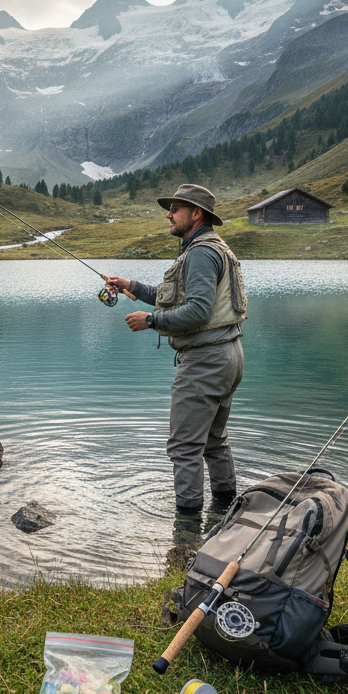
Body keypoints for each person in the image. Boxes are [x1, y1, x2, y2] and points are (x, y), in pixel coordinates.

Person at [105, 184, 247, 516]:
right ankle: (227, 513)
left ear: (196, 214)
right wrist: (130, 286)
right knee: (214, 441)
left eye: (174, 209)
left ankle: (186, 528)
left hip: (206, 361)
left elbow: (198, 311)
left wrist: (151, 320)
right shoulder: (211, 247)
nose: (168, 215)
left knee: (185, 447)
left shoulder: (200, 253)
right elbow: (176, 296)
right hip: (228, 355)